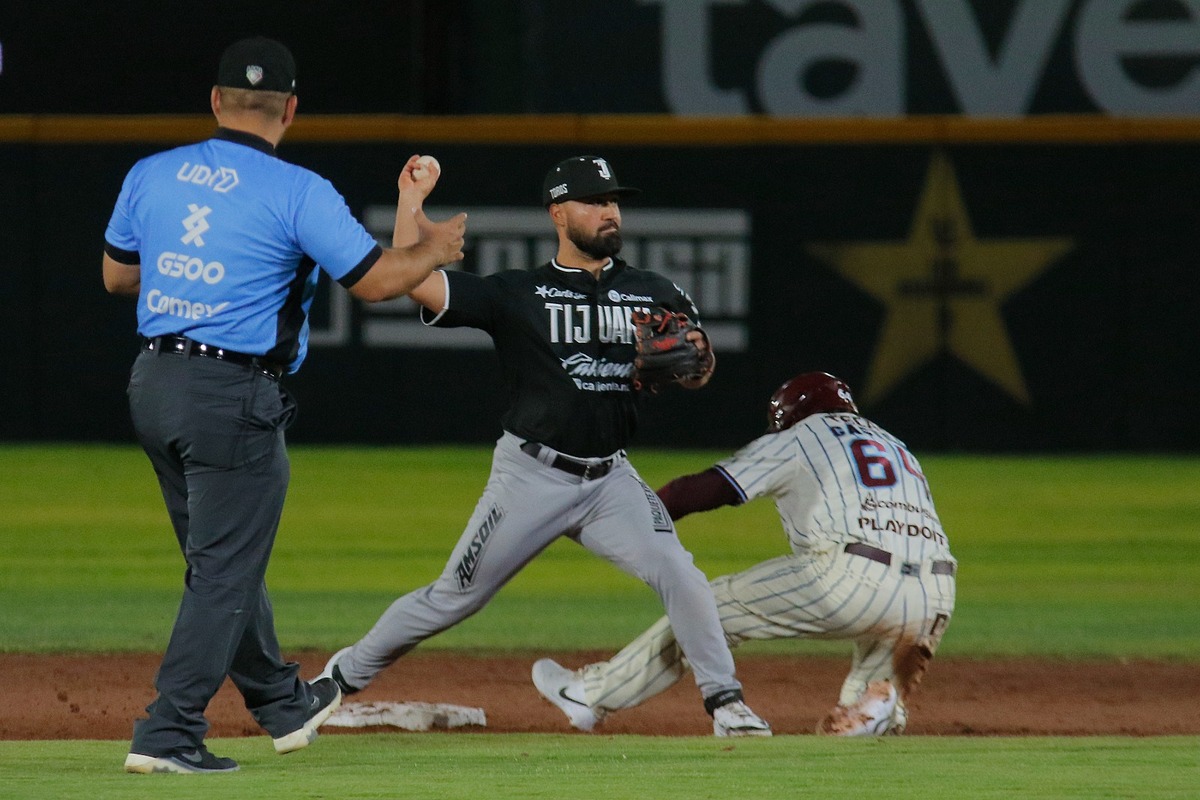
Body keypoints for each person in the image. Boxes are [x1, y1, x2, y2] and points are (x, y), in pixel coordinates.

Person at [102, 36, 466, 774]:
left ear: (215, 101)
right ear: (291, 109)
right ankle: (168, 732)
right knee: (224, 570)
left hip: (153, 384)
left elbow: (117, 277)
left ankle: (280, 702)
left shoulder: (153, 173)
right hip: (230, 395)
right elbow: (374, 281)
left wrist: (195, 284)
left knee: (220, 563)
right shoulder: (297, 190)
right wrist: (435, 250)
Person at [318, 155, 771, 737]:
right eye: (594, 201)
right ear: (559, 213)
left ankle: (727, 703)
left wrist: (695, 362)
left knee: (679, 573)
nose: (609, 211)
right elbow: (418, 283)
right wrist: (411, 204)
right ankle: (338, 678)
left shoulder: (655, 291)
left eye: (614, 201)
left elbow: (697, 367)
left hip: (611, 480)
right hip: (531, 477)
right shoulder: (518, 293)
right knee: (453, 598)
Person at [532, 372, 957, 736]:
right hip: (935, 595)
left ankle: (589, 696)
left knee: (704, 608)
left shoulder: (804, 435)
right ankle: (876, 708)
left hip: (851, 578)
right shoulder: (897, 446)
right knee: (857, 714)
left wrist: (624, 519)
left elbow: (707, 489)